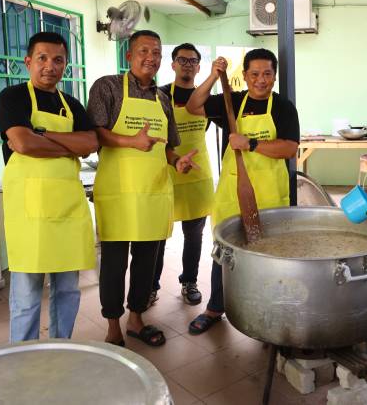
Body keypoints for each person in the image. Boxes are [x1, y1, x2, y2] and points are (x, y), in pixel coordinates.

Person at [87, 30, 199, 347]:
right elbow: (96, 133)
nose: (151, 57)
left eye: (157, 52)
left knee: (146, 261)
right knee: (113, 262)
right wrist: (130, 142)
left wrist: (177, 161)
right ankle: (112, 325)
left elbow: (165, 148)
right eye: (144, 51)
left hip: (152, 191)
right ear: (129, 56)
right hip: (118, 192)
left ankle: (136, 319)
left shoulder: (162, 99)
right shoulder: (107, 87)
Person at [184, 48, 300, 334]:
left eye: (267, 74)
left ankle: (268, 311)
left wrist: (251, 144)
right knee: (224, 250)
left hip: (270, 194)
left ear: (274, 76)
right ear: (245, 76)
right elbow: (193, 106)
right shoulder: (232, 102)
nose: (261, 80)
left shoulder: (283, 107)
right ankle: (215, 308)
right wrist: (214, 75)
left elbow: (289, 148)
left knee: (269, 254)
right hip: (232, 192)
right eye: (255, 74)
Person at [0, 31, 98, 342]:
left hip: (67, 209)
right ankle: (23, 356)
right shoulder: (12, 97)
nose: (50, 66)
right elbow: (22, 143)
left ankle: (60, 347)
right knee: (26, 296)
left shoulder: (72, 104)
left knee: (67, 290)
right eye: (42, 58)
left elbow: (91, 143)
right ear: (29, 61)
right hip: (29, 214)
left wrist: (43, 134)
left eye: (58, 60)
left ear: (66, 65)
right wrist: (68, 145)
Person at [150, 44, 215, 306]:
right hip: (164, 173)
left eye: (192, 61)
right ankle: (151, 286)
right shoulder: (159, 95)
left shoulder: (206, 98)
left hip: (197, 175)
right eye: (182, 60)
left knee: (194, 234)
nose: (187, 64)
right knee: (157, 235)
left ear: (199, 67)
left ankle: (189, 282)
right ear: (173, 64)